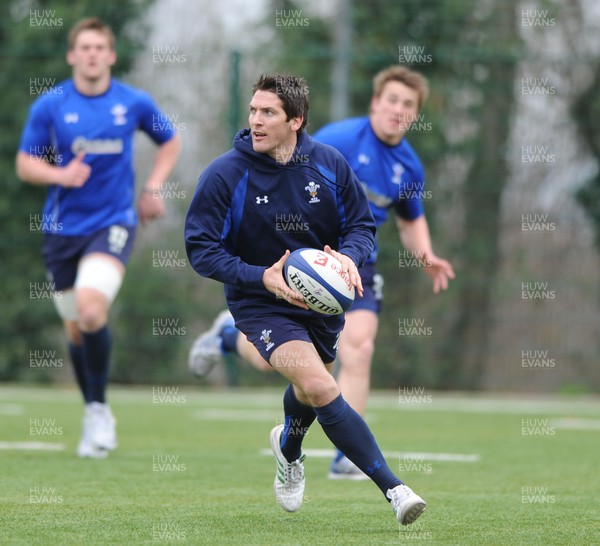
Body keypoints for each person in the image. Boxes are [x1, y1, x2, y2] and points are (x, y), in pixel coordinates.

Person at [189, 66, 454, 478]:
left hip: (352, 263)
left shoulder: (409, 167)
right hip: (294, 267)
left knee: (360, 348)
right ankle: (228, 334)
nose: (397, 110)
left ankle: (346, 456)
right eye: (392, 100)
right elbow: (290, 173)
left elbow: (408, 219)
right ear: (375, 103)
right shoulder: (338, 141)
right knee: (281, 366)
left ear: (416, 114)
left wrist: (426, 254)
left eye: (408, 105)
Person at [16, 17, 181, 459]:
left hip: (113, 223)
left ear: (110, 55)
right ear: (73, 55)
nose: (92, 54)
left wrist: (153, 188)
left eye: (99, 48)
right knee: (75, 328)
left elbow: (170, 140)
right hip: (61, 231)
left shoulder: (133, 102)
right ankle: (92, 409)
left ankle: (101, 411)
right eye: (83, 47)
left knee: (91, 309)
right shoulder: (50, 105)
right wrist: (60, 173)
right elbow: (25, 164)